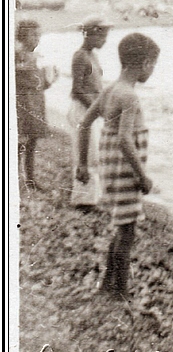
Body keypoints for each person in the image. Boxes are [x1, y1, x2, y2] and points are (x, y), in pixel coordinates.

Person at [76, 33, 159, 298]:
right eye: (153, 65)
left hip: (110, 169)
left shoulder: (111, 89)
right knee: (127, 232)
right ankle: (119, 291)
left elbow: (85, 124)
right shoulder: (129, 96)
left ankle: (105, 285)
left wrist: (82, 164)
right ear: (145, 63)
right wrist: (143, 177)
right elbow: (125, 140)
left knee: (122, 228)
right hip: (126, 172)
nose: (153, 70)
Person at [68, 16, 112, 209]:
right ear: (92, 34)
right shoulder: (80, 56)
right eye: (103, 36)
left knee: (93, 153)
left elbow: (95, 86)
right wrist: (97, 108)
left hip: (90, 110)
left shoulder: (92, 55)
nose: (105, 40)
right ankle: (82, 200)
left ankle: (90, 197)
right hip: (83, 110)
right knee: (84, 153)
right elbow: (77, 90)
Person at [16, 20, 58, 191]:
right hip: (23, 104)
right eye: (33, 35)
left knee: (32, 142)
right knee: (21, 142)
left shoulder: (34, 56)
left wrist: (50, 79)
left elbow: (38, 83)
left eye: (39, 35)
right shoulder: (18, 54)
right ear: (23, 36)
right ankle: (19, 177)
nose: (37, 39)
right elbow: (25, 79)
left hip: (35, 103)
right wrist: (44, 77)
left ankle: (30, 179)